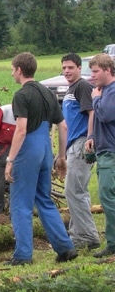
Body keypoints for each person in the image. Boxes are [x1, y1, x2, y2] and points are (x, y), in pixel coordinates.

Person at [4, 52, 77, 265]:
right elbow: (63, 126)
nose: (12, 73)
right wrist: (61, 156)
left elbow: (21, 130)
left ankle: (23, 255)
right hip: (45, 148)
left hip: (29, 150)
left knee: (21, 203)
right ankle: (65, 248)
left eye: (12, 70)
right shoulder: (48, 93)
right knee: (44, 199)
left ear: (19, 70)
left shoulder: (21, 95)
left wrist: (10, 160)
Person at [60, 53, 100, 251]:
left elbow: (92, 112)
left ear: (78, 68)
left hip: (81, 143)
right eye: (64, 68)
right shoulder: (71, 89)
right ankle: (78, 235)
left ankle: (88, 236)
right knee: (75, 191)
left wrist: (90, 138)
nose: (66, 71)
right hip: (72, 145)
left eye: (70, 67)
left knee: (74, 190)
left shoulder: (82, 86)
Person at [86, 53, 115, 258]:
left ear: (108, 70)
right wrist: (92, 137)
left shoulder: (111, 91)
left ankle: (113, 243)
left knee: (107, 196)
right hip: (104, 150)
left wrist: (95, 99)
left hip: (111, 153)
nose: (92, 76)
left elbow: (105, 115)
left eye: (96, 71)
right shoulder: (104, 91)